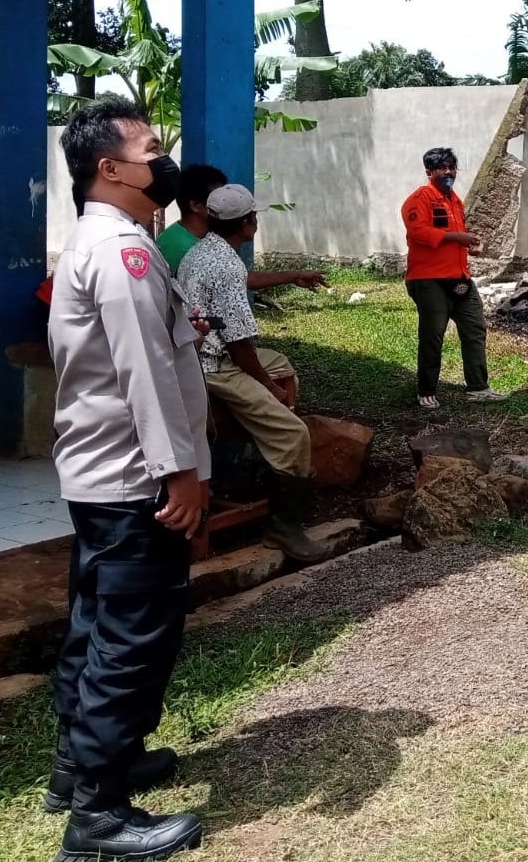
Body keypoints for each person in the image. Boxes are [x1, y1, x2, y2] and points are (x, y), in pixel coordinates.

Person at [45, 96, 208, 860]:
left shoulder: (97, 242)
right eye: (150, 149)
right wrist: (180, 473)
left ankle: (78, 766)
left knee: (95, 626)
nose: (162, 161)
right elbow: (145, 373)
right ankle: (99, 817)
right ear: (109, 169)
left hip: (99, 474)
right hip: (136, 480)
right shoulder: (125, 252)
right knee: (132, 639)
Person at [178, 185, 329, 564]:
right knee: (294, 434)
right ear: (247, 223)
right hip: (217, 366)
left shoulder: (202, 251)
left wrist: (293, 276)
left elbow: (242, 280)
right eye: (254, 217)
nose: (256, 222)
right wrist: (267, 388)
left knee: (282, 363)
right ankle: (285, 528)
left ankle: (269, 449)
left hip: (194, 354)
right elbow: (239, 343)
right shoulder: (225, 263)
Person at [401, 146, 503, 409]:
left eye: (452, 167)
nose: (448, 172)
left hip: (459, 277)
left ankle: (478, 388)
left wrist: (469, 244)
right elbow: (419, 233)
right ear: (429, 172)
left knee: (475, 328)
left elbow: (454, 236)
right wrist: (457, 238)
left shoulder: (455, 201)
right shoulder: (419, 199)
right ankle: (426, 390)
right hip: (428, 279)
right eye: (442, 168)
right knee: (433, 335)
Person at [158, 163, 328, 293]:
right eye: (217, 197)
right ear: (195, 205)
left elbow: (239, 276)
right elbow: (240, 279)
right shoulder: (187, 249)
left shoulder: (188, 237)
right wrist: (294, 276)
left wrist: (294, 276)